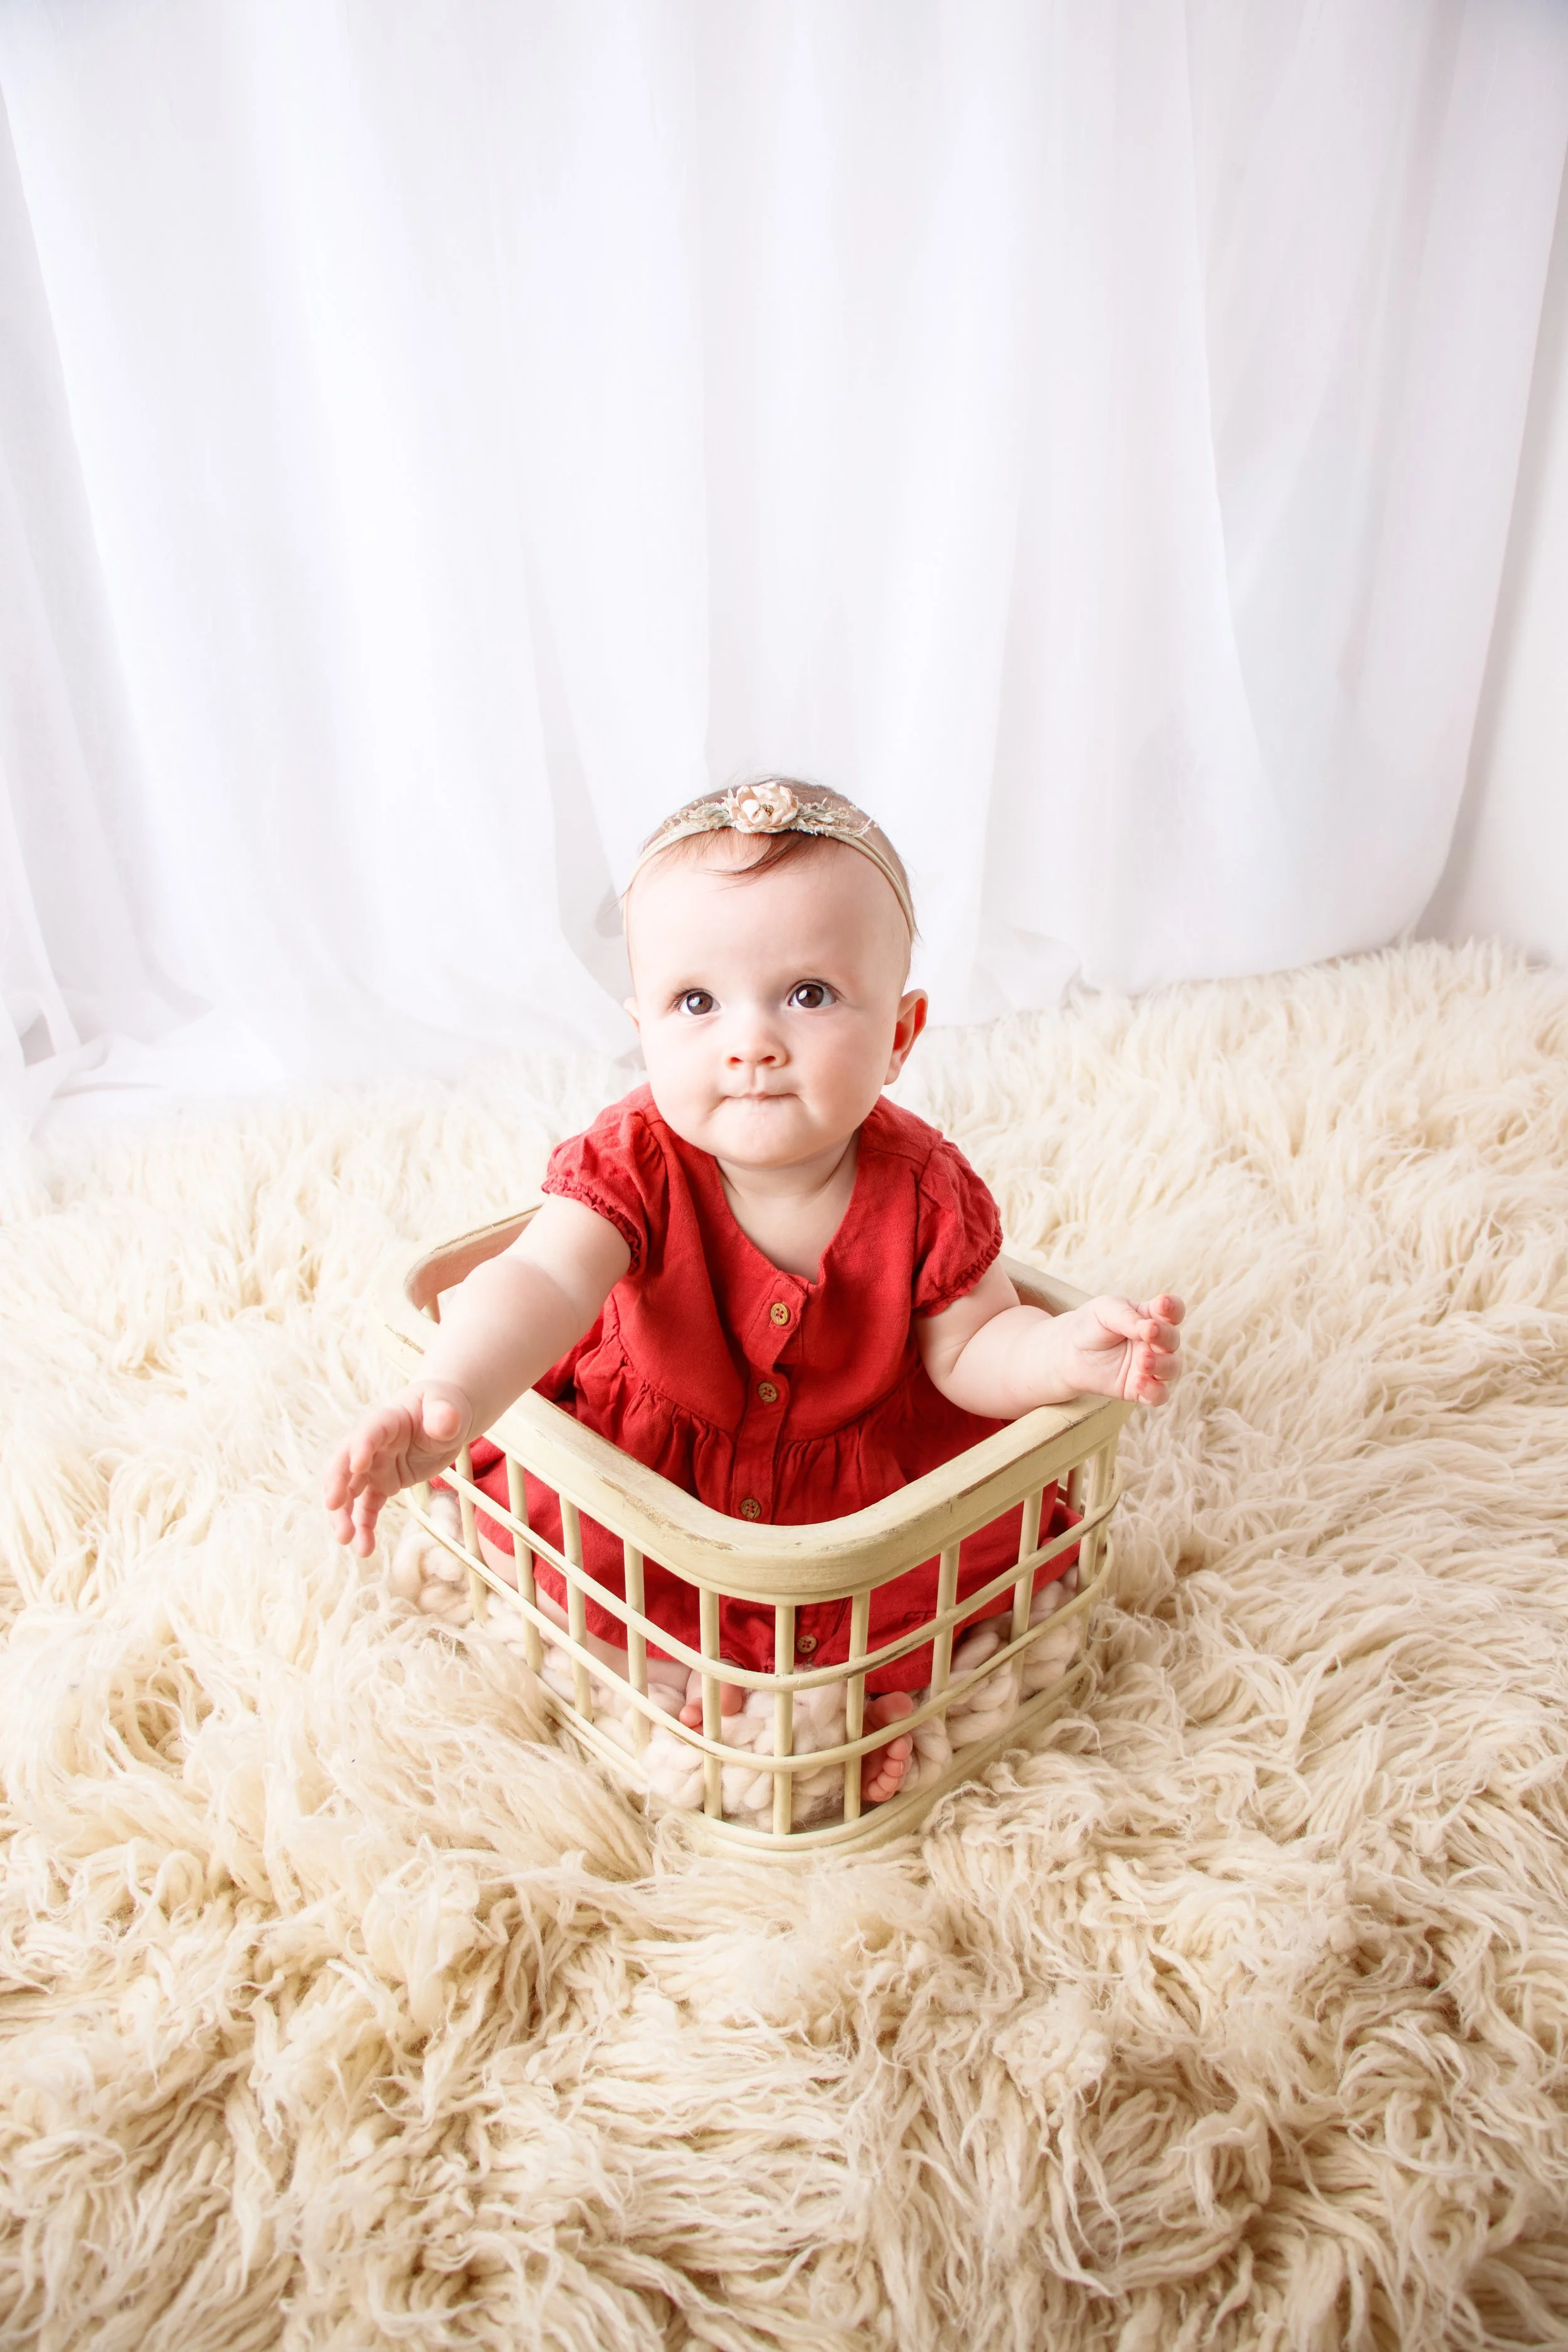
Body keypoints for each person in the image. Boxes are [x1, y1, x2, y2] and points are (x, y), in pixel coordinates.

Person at [324, 779, 1184, 1806]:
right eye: (698, 1002)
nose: (752, 1042)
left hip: (856, 1484)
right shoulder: (635, 1157)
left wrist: (1058, 1352)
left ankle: (861, 1699)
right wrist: (451, 1393)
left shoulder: (925, 1187)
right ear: (642, 1024)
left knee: (924, 1582)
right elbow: (543, 1277)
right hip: (663, 1465)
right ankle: (697, 1681)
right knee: (597, 1557)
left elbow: (972, 1348)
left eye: (809, 994)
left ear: (902, 1033)